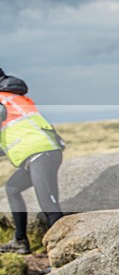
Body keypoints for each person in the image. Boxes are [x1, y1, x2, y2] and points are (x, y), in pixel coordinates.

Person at [0, 69, 65, 255]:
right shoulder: (13, 98)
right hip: (40, 152)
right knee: (12, 188)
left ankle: (60, 256)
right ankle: (20, 241)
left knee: (49, 206)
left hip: (40, 154)